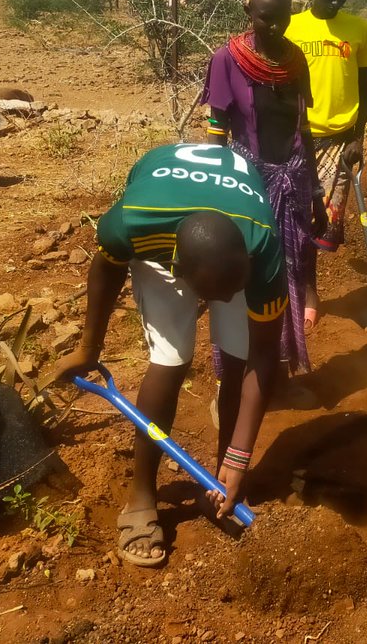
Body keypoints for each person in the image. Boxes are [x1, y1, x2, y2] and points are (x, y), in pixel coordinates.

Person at [47, 143, 287, 568]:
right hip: (163, 240)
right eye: (217, 295)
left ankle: (221, 481)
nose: (230, 299)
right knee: (170, 358)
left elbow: (262, 359)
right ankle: (141, 496)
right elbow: (106, 269)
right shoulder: (130, 223)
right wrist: (89, 349)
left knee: (238, 356)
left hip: (230, 246)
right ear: (184, 274)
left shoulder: (263, 247)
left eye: (236, 288)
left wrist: (240, 457)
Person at [201, 0, 326, 384]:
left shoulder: (295, 60)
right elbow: (217, 134)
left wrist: (316, 191)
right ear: (247, 12)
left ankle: (276, 371)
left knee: (285, 274)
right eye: (265, 18)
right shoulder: (226, 60)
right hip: (246, 186)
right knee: (243, 280)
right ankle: (234, 378)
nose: (275, 26)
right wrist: (216, 198)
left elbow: (302, 128)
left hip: (291, 183)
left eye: (283, 17)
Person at [286, 0, 367, 327]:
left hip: (340, 142)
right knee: (292, 219)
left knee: (317, 223)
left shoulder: (358, 30)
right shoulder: (291, 27)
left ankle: (308, 291)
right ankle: (297, 292)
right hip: (296, 139)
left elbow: (366, 88)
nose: (336, 3)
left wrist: (359, 138)